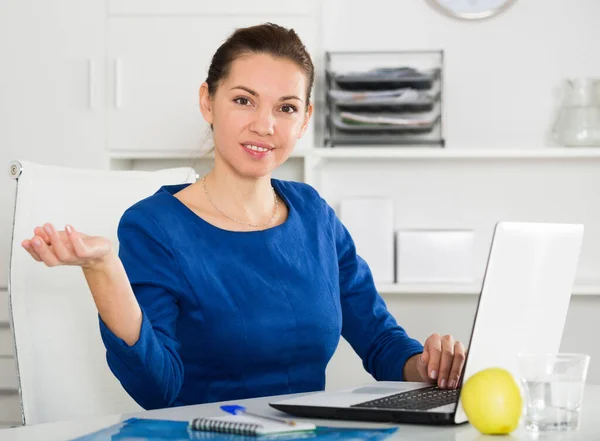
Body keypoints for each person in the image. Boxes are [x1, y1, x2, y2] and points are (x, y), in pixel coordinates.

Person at [21, 23, 466, 411]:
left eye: (286, 107)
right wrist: (104, 270)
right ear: (207, 102)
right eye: (243, 100)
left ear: (305, 118)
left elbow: (381, 342)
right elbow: (158, 389)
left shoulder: (314, 214)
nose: (265, 125)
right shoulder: (154, 226)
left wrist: (426, 366)